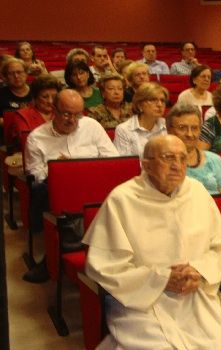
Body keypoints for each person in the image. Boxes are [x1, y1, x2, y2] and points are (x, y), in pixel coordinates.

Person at [82, 134, 221, 350]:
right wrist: (160, 279)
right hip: (141, 298)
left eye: (182, 158)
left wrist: (199, 271)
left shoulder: (196, 191)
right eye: (168, 158)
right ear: (146, 165)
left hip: (192, 293)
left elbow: (217, 245)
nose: (177, 166)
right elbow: (106, 265)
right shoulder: (122, 199)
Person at [23, 89, 118, 283]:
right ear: (53, 110)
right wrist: (59, 170)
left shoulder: (91, 126)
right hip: (58, 192)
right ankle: (66, 253)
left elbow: (113, 159)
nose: (72, 120)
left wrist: (80, 167)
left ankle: (58, 256)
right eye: (67, 113)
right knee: (54, 196)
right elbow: (35, 175)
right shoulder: (37, 138)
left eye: (78, 114)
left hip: (94, 185)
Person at [166, 102, 221, 194]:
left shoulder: (214, 159)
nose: (189, 134)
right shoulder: (161, 161)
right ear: (169, 129)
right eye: (182, 127)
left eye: (195, 128)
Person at [114, 82, 168, 156]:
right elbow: (125, 163)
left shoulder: (168, 125)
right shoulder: (124, 129)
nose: (159, 105)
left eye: (162, 100)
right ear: (140, 105)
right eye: (153, 100)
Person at [11, 74, 62, 143]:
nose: (50, 101)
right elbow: (27, 142)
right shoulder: (22, 116)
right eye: (44, 97)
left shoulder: (62, 113)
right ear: (35, 98)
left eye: (54, 97)